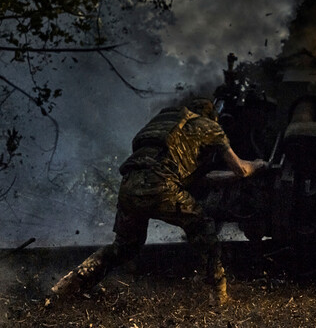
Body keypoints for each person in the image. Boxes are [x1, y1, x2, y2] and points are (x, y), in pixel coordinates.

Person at [49, 97, 266, 304]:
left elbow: (197, 178)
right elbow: (241, 170)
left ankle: (67, 286)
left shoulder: (164, 128)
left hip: (130, 184)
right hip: (162, 186)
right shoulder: (210, 127)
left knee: (123, 247)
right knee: (204, 229)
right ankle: (219, 296)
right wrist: (258, 165)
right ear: (210, 115)